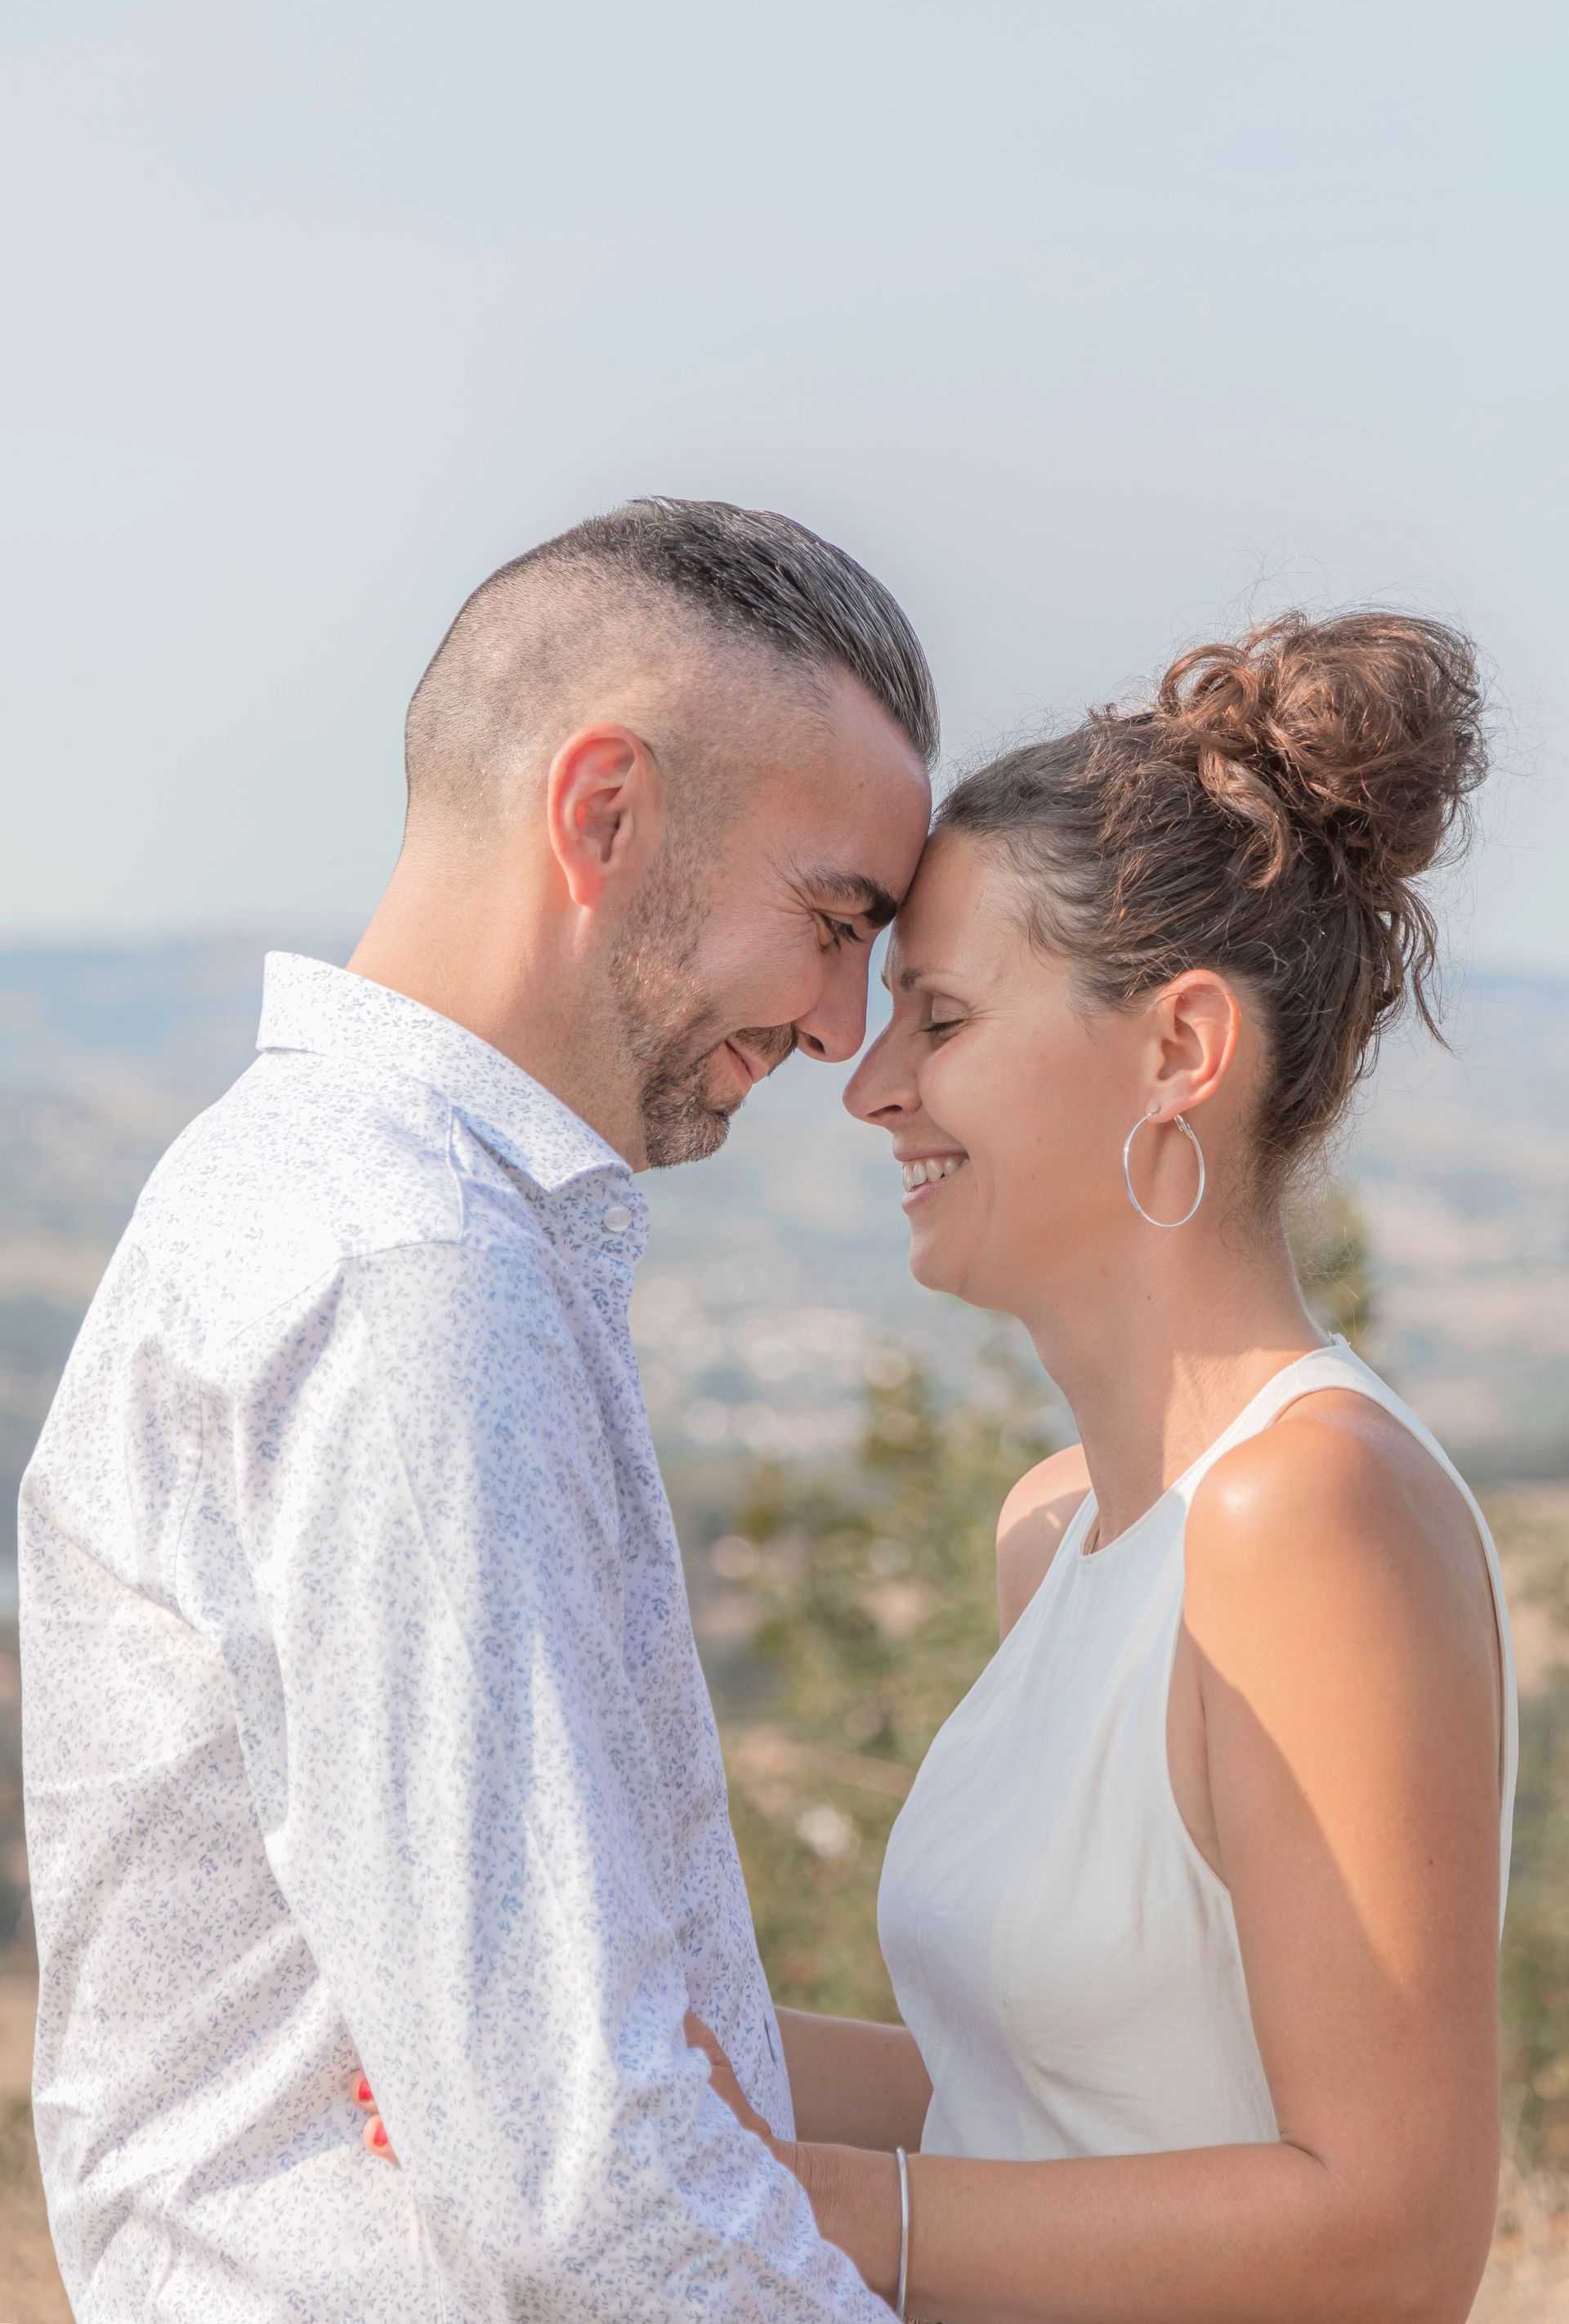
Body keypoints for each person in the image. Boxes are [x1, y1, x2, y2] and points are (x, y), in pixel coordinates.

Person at [17, 498, 936, 2321]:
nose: (844, 1026)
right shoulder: (410, 1272)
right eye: (832, 922)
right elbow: (576, 2172)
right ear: (603, 815)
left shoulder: (349, 1207)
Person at [650, 609, 1516, 2323]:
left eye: (945, 1019)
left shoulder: (1309, 1513)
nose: (872, 1085)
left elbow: (1396, 2236)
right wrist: (640, 2065)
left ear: (1181, 1052)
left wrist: (801, 2208)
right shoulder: (1052, 1533)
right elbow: (1031, 2114)